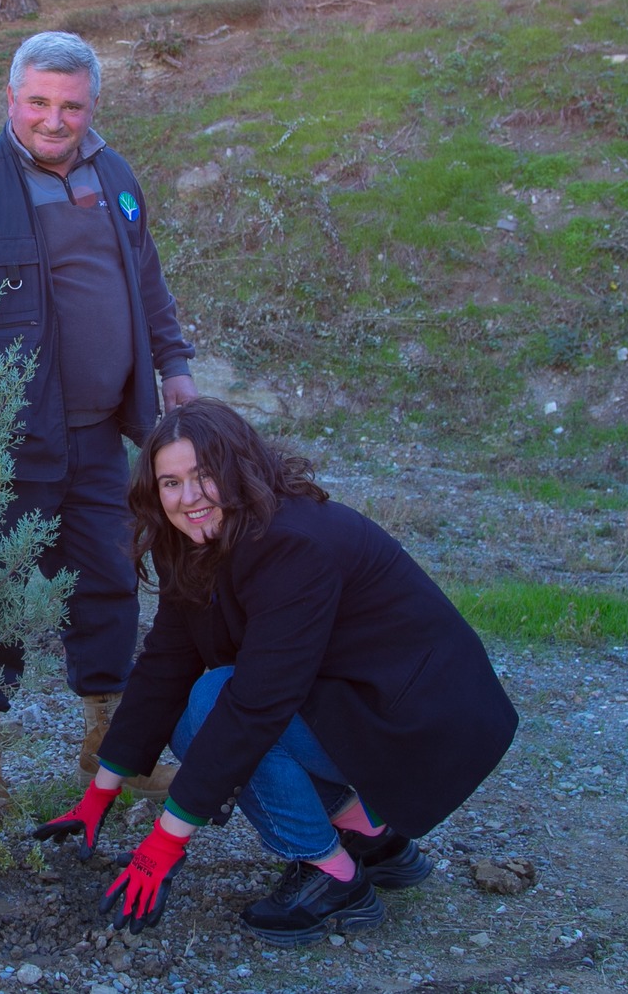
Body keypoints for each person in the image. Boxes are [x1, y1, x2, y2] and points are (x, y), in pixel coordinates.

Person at [34, 399, 518, 947]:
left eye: (203, 475)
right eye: (170, 483)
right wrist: (100, 792)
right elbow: (165, 663)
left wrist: (166, 842)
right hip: (363, 699)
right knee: (198, 707)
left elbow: (256, 705)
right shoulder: (193, 540)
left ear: (239, 468)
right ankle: (369, 833)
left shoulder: (291, 543)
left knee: (212, 705)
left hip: (424, 720)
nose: (188, 497)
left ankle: (333, 878)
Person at [0, 30, 197, 783]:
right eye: (38, 102)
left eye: (71, 106)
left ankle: (111, 752)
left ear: (93, 104)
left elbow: (147, 281)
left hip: (101, 436)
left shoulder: (114, 174)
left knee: (111, 582)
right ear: (11, 97)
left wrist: (176, 366)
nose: (54, 120)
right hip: (3, 439)